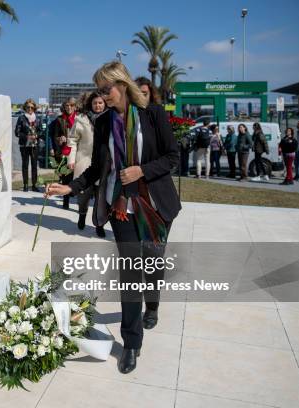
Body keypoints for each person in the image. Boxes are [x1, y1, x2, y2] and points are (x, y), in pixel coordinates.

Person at [46, 61, 181, 375]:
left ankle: (154, 303)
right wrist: (71, 185)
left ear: (122, 85)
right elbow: (96, 168)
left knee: (152, 262)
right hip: (120, 207)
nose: (103, 95)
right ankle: (132, 343)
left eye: (107, 89)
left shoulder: (153, 115)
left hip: (154, 205)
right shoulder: (103, 121)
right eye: (100, 90)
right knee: (131, 273)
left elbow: (172, 158)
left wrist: (142, 170)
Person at [66, 91, 107, 237]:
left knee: (101, 197)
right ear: (90, 104)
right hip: (85, 162)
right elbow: (72, 140)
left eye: (100, 103)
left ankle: (99, 224)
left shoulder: (110, 118)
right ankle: (82, 214)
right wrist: (71, 159)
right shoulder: (81, 119)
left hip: (104, 164)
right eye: (95, 103)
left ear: (105, 103)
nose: (97, 105)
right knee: (83, 195)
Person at [50, 98, 77, 208]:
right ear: (64, 107)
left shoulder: (79, 119)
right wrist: (59, 139)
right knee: (66, 177)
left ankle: (81, 203)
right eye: (67, 105)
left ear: (75, 106)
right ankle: (66, 202)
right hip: (65, 152)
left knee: (78, 175)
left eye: (71, 105)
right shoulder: (59, 120)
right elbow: (54, 137)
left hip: (78, 152)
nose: (69, 107)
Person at [15, 99, 41, 192]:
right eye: (28, 107)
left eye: (32, 107)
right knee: (25, 165)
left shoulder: (38, 118)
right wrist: (27, 136)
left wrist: (36, 135)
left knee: (34, 165)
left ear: (34, 108)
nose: (30, 109)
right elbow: (17, 133)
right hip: (24, 145)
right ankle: (25, 184)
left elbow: (41, 131)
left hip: (35, 145)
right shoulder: (21, 118)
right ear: (25, 107)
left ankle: (34, 185)